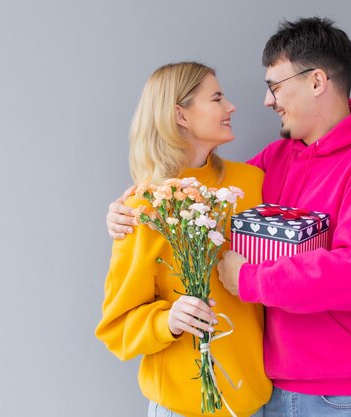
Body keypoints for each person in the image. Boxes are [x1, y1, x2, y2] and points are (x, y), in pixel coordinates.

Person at [107, 18, 351, 417]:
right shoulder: (274, 162)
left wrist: (250, 280)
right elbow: (204, 194)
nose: (267, 101)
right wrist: (131, 206)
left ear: (317, 81)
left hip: (347, 394)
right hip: (272, 392)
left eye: (275, 86)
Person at [95, 62, 271, 417]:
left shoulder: (252, 184)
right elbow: (116, 327)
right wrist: (168, 321)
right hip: (183, 408)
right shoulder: (145, 208)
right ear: (181, 115)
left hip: (255, 404)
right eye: (217, 98)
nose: (231, 106)